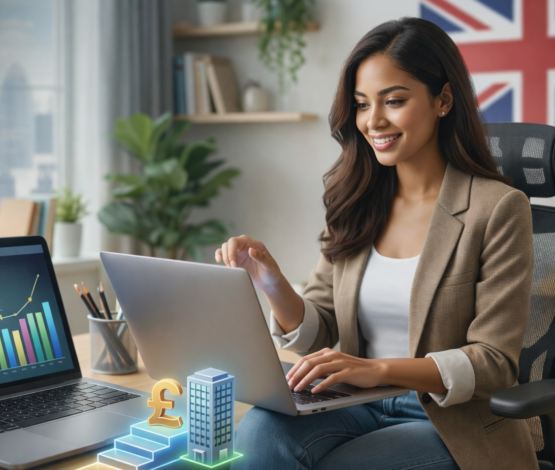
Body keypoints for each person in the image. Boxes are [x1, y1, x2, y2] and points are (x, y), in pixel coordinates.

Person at [216, 17, 537, 470]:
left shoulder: (498, 208)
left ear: (443, 100)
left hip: (450, 419)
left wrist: (378, 369)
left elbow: (493, 362)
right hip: (356, 403)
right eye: (362, 104)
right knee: (258, 436)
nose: (374, 121)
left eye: (394, 101)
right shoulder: (357, 201)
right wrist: (271, 282)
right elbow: (320, 331)